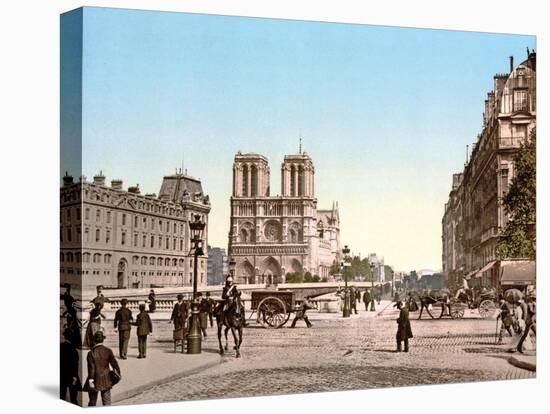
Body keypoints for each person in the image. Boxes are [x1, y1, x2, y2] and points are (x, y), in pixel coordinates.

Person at [84, 331, 120, 407]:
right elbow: (115, 364)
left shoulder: (91, 353)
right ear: (103, 340)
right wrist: (118, 374)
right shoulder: (108, 350)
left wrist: (91, 380)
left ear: (94, 340)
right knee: (107, 402)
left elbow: (91, 368)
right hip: (106, 378)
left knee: (92, 402)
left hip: (94, 379)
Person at [60, 328, 81, 404]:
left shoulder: (60, 347)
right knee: (73, 399)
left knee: (61, 396)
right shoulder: (74, 350)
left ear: (65, 337)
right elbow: (75, 365)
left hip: (61, 375)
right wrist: (75, 377)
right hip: (71, 376)